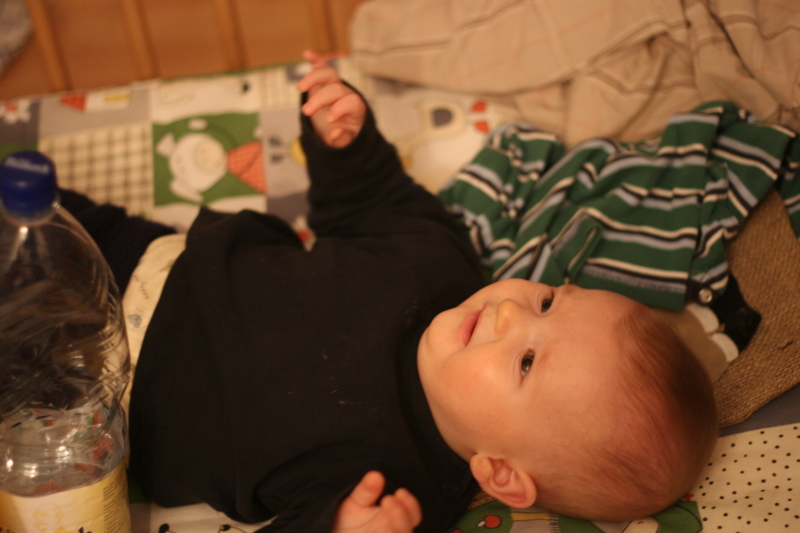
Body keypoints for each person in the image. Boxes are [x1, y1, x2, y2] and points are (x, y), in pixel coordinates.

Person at [58, 52, 717, 533]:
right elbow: (375, 199)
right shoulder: (442, 266)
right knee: (36, 207)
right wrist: (347, 143)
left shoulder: (396, 493)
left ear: (501, 473)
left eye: (526, 362)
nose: (509, 312)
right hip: (139, 262)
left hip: (96, 404)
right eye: (547, 301)